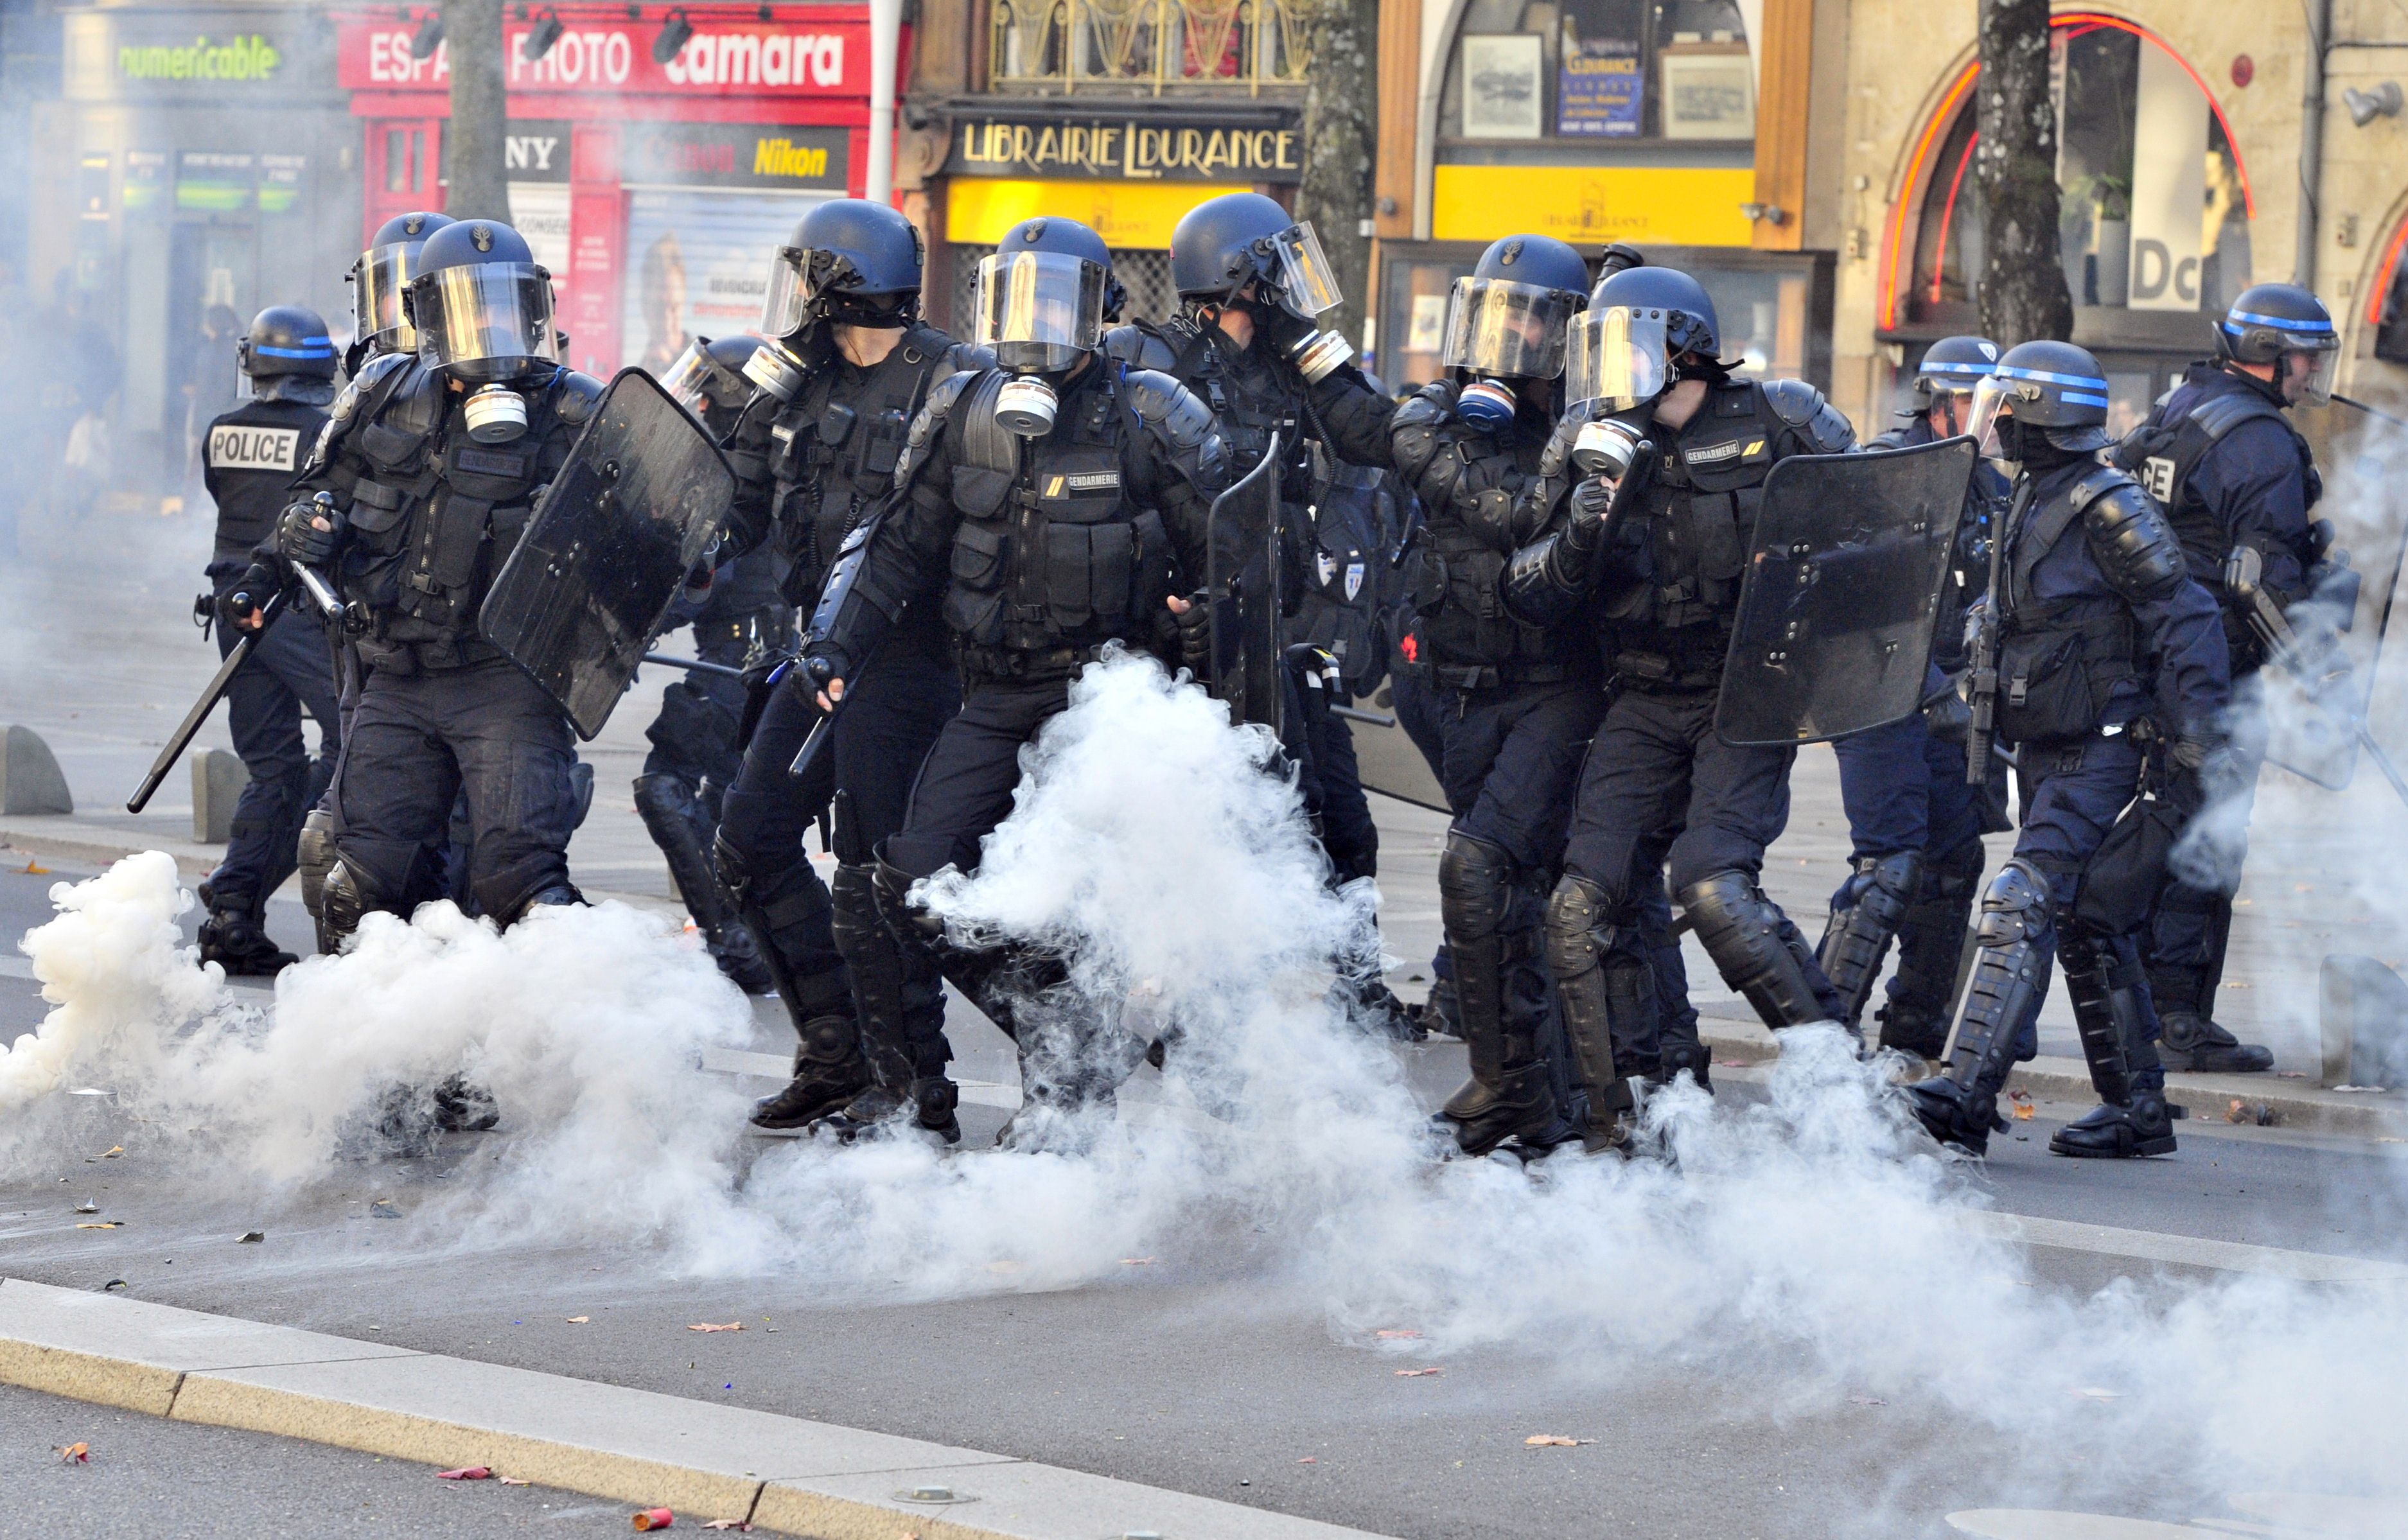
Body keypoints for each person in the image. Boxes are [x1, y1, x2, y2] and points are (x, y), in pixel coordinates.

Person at [803, 215, 1229, 1151]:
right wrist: (833, 644)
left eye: (1057, 302)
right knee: (918, 880)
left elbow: (1234, 561)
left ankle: (1066, 1102)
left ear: (1100, 310)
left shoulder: (1152, 411)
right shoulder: (962, 405)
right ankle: (1074, 1050)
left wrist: (1203, 659)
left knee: (1066, 900)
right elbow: (892, 541)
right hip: (995, 695)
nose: (1033, 325)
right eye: (1014, 300)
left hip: (1110, 705)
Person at [1502, 263, 1856, 1152]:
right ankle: (1625, 1123)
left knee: (1713, 886)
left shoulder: (1781, 419)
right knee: (1579, 908)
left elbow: (1878, 536)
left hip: (1747, 696)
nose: (1606, 370)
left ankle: (1846, 1092)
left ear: (1676, 346)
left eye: (1625, 346)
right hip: (1645, 695)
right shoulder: (1588, 439)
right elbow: (1524, 587)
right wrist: (1582, 527)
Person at [1906, 341, 2230, 1159]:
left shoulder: (2107, 504)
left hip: (2105, 743)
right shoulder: (2033, 492)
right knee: (2089, 918)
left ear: (2042, 414)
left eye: (2006, 408)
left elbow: (2185, 619)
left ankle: (1962, 1096)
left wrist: (2192, 751)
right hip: (2050, 743)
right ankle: (2138, 1110)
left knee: (2020, 898)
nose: (1996, 425)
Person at [1106, 191, 1411, 1032]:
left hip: (1276, 636)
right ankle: (1189, 1013)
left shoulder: (1287, 363)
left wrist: (1319, 354)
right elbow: (1113, 494)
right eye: (1280, 269)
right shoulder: (1147, 357)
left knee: (1342, 825)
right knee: (1226, 836)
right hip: (1187, 647)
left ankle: (1359, 1000)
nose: (1296, 287)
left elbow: (1375, 435)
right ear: (1242, 275)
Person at [258, 220, 602, 964]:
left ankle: (567, 1056)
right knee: (357, 883)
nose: (489, 327)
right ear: (426, 316)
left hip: (504, 680)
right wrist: (307, 528)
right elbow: (316, 492)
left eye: (506, 306)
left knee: (522, 890)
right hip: (395, 673)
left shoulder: (573, 411)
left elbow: (655, 542)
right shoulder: (382, 389)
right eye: (469, 308)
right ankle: (387, 1061)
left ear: (536, 310)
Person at [710, 200, 985, 1133]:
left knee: (873, 880)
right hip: (813, 653)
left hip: (911, 666)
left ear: (843, 284)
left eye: (809, 280)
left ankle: (914, 1092)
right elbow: (734, 510)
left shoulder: (955, 381)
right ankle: (836, 1052)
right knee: (747, 844)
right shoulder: (799, 384)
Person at [1384, 232, 1605, 1157]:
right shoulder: (1428, 419)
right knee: (1509, 896)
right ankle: (1542, 1102)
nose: (1508, 336)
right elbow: (1511, 512)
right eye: (1495, 314)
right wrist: (1569, 447)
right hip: (1458, 690)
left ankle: (1521, 1086)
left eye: (1531, 320)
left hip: (1558, 689)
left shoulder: (1596, 426)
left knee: (1483, 870)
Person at [2109, 284, 2339, 1074]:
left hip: (2152, 656)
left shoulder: (2179, 409)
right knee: (2206, 838)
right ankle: (2177, 1017)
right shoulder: (2261, 441)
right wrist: (2318, 666)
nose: (2313, 373)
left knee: (2164, 824)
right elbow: (2261, 581)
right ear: (2273, 356)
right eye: (2307, 357)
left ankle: (2133, 1002)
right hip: (2218, 665)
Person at [1820, 337, 2011, 1056]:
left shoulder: (1990, 486)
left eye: (2000, 405)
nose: (1993, 420)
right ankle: (1820, 1036)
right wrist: (1931, 689)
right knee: (1889, 866)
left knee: (1953, 864)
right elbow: (1855, 602)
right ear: (1938, 403)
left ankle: (1915, 1033)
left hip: (1954, 708)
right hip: (1878, 701)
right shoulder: (1886, 473)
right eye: (1978, 404)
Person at [297, 209, 457, 925]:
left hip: (465, 661)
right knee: (344, 850)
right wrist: (288, 548)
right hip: (368, 644)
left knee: (468, 856)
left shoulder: (511, 389)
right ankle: (364, 1008)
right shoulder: (365, 392)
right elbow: (312, 501)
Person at [194, 305, 345, 974]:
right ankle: (312, 849)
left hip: (232, 606)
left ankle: (233, 913)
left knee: (273, 767)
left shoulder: (222, 428)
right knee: (352, 744)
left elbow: (222, 498)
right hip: (293, 605)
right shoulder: (325, 431)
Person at [642, 335, 791, 996]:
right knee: (729, 808)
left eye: (705, 390)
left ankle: (735, 943)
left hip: (742, 659)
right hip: (768, 659)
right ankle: (758, 938)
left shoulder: (731, 481)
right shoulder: (777, 468)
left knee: (664, 787)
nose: (694, 402)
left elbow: (698, 585)